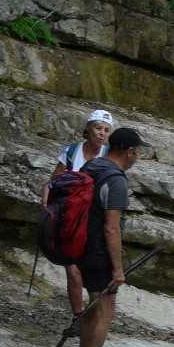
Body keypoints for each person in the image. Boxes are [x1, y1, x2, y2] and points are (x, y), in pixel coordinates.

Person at [70, 126, 153, 347]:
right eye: (138, 151)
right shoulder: (116, 180)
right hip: (98, 253)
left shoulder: (92, 166)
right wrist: (118, 269)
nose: (137, 156)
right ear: (129, 152)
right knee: (105, 309)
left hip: (80, 246)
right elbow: (111, 227)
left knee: (95, 306)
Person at [41, 109, 114, 316]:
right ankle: (77, 317)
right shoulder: (72, 152)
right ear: (87, 128)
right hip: (70, 219)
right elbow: (52, 183)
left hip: (92, 220)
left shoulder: (108, 156)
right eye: (98, 128)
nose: (102, 134)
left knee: (88, 271)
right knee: (73, 273)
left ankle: (92, 315)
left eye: (106, 130)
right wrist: (46, 202)